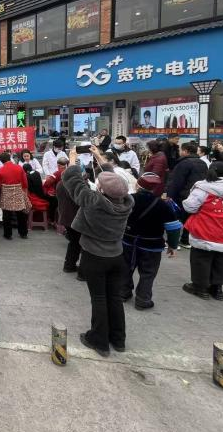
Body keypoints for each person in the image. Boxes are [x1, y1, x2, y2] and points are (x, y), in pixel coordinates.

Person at [64, 146, 134, 357]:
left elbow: (73, 181)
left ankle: (99, 340)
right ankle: (118, 339)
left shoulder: (93, 201)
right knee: (114, 297)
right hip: (116, 256)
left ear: (101, 189)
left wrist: (73, 158)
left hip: (94, 256)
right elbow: (114, 180)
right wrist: (98, 155)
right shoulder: (126, 202)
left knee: (99, 298)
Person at [182, 161, 223, 301]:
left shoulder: (203, 188)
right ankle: (217, 289)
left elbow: (190, 207)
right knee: (222, 261)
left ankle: (200, 288)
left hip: (205, 230)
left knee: (201, 259)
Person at [122, 173, 182, 310]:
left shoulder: (128, 199)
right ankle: (143, 300)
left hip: (128, 242)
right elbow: (173, 227)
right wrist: (172, 245)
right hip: (151, 246)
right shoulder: (163, 205)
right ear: (155, 188)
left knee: (124, 269)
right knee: (148, 273)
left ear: (137, 185)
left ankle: (122, 293)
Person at [166, 142, 208, 246]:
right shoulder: (202, 162)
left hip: (183, 195)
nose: (179, 152)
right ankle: (186, 239)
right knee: (191, 217)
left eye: (181, 150)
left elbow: (176, 181)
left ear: (185, 151)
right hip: (198, 194)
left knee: (176, 218)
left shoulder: (184, 163)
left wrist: (170, 195)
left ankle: (174, 241)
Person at [0, 152, 29, 240]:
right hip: (18, 192)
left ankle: (8, 234)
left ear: (1, 161)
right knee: (21, 214)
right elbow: (25, 182)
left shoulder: (0, 170)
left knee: (7, 215)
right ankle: (23, 233)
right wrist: (25, 193)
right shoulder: (19, 167)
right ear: (10, 158)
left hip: (6, 194)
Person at [56, 168, 82, 276]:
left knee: (74, 243)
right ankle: (71, 266)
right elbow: (80, 201)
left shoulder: (61, 183)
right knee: (78, 243)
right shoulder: (73, 185)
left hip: (66, 217)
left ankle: (69, 265)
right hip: (75, 218)